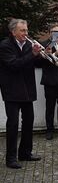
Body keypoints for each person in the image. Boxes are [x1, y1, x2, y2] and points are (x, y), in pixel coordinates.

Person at [0, 19, 44, 169]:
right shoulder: (5, 46)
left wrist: (42, 55)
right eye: (23, 31)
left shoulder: (28, 44)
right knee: (13, 123)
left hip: (27, 89)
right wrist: (32, 54)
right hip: (11, 90)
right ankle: (10, 158)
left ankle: (25, 152)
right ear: (13, 32)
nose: (26, 33)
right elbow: (14, 65)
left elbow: (35, 64)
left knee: (28, 121)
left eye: (26, 30)